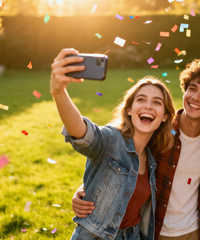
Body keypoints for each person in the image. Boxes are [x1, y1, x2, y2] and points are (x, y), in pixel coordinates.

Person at [72, 59, 200, 240]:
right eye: (192, 88)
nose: (195, 97)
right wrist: (84, 189)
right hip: (153, 231)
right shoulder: (157, 129)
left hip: (194, 232)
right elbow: (121, 157)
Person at [51, 48, 176, 240]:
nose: (148, 106)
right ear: (128, 110)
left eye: (157, 102)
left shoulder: (152, 158)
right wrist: (59, 92)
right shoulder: (111, 140)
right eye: (141, 100)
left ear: (165, 116)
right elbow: (83, 133)